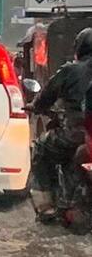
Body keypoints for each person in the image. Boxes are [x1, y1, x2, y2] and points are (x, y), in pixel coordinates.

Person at [29, 27, 92, 218]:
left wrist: (35, 106)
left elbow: (45, 97)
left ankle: (45, 206)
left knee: (40, 147)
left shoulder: (70, 70)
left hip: (73, 134)